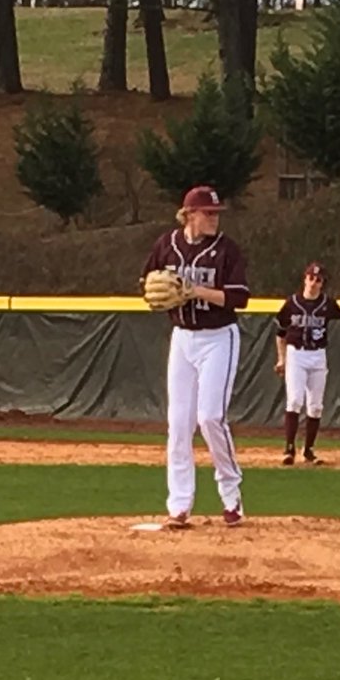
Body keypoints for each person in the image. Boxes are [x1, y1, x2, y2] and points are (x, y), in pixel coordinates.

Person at [141, 185, 250, 529]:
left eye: (216, 213)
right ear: (189, 215)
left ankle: (231, 495)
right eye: (208, 213)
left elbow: (239, 298)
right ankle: (179, 505)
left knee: (210, 417)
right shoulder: (166, 245)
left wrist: (195, 290)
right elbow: (147, 282)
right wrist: (158, 293)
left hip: (219, 338)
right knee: (179, 424)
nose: (214, 218)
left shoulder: (226, 250)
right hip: (183, 339)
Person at [274, 261, 340, 465]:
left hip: (318, 354)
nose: (313, 282)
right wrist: (282, 358)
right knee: (294, 400)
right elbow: (280, 333)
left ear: (322, 284)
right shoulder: (292, 303)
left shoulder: (327, 304)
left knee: (316, 405)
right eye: (311, 277)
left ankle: (309, 451)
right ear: (305, 279)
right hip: (297, 353)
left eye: (318, 280)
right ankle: (289, 449)